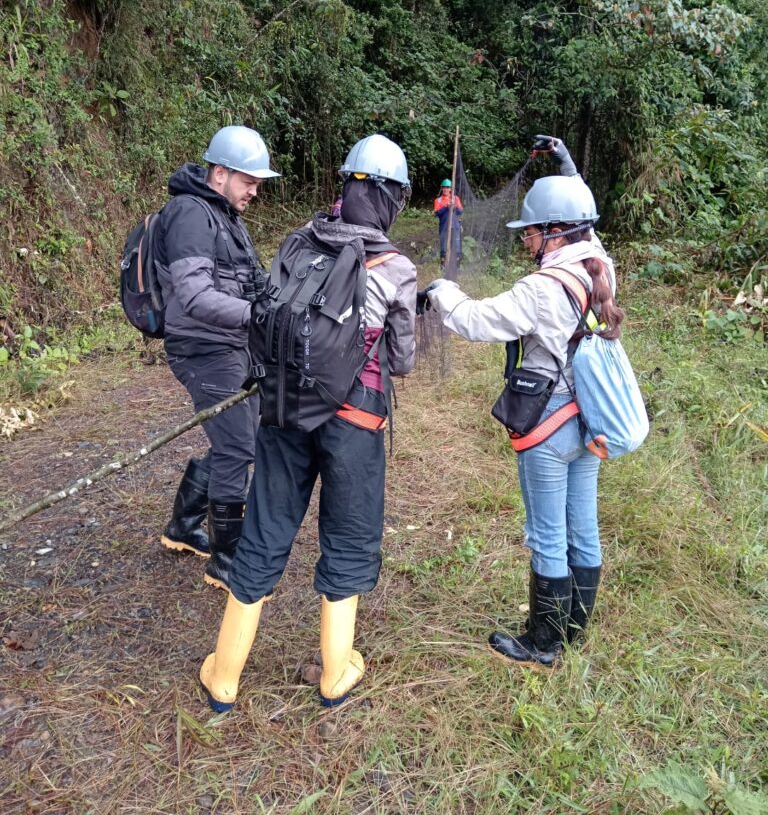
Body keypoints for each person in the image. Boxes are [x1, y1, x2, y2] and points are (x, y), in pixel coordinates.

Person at [199, 133, 417, 711]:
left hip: (284, 410)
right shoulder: (395, 267)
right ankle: (335, 673)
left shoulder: (300, 240)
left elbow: (269, 312)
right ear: (394, 198)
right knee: (347, 535)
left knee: (267, 527)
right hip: (356, 421)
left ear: (344, 186)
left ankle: (224, 675)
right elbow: (403, 362)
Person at [423, 136, 622, 669]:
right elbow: (582, 209)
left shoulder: (542, 288)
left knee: (547, 534)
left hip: (549, 429)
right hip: (589, 422)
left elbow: (476, 319)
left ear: (554, 232)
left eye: (531, 231)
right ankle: (574, 630)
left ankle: (543, 643)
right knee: (584, 526)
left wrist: (442, 291)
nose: (527, 240)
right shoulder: (599, 263)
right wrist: (564, 163)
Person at [156, 125, 280, 590]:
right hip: (203, 349)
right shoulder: (190, 213)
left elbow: (249, 279)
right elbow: (193, 295)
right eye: (249, 180)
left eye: (259, 182)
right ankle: (227, 560)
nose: (255, 189)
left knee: (238, 435)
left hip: (233, 344)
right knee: (238, 447)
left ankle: (183, 528)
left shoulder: (224, 213)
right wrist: (260, 317)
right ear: (220, 172)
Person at [433, 178, 463, 266]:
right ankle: (443, 263)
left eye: (447, 187)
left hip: (455, 225)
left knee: (456, 244)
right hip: (443, 226)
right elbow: (437, 213)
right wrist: (446, 206)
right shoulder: (437, 200)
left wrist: (455, 206)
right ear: (442, 188)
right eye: (444, 187)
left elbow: (460, 211)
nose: (445, 189)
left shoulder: (455, 198)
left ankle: (457, 264)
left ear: (451, 189)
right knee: (444, 245)